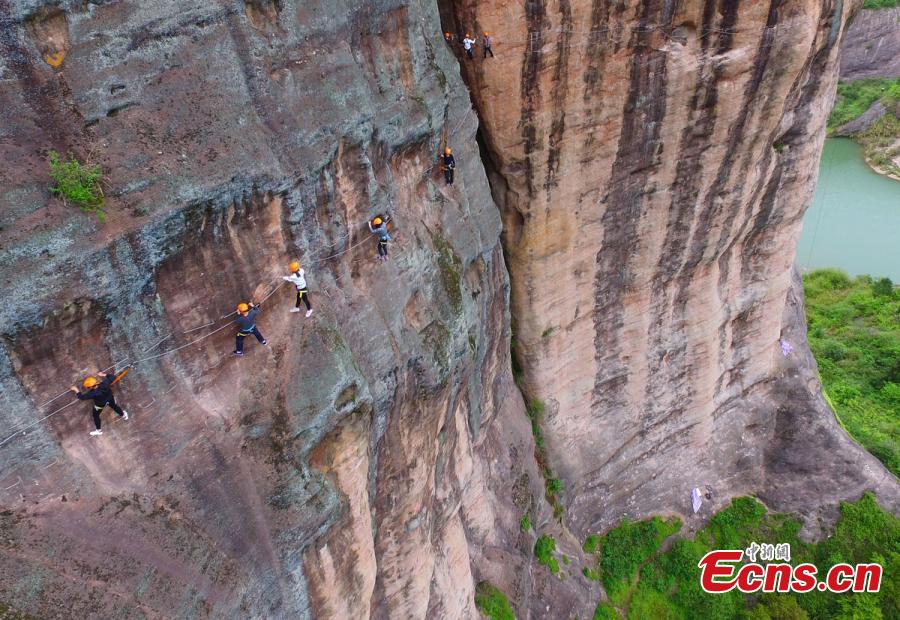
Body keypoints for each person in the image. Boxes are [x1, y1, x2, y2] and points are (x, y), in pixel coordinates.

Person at [70, 372, 129, 437]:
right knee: (114, 406)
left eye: (88, 387)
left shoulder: (92, 394)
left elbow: (82, 397)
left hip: (100, 405)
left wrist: (76, 390)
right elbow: (113, 377)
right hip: (110, 398)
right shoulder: (104, 384)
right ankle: (123, 414)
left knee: (95, 415)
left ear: (90, 387)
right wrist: (103, 374)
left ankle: (99, 430)